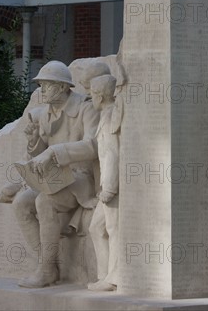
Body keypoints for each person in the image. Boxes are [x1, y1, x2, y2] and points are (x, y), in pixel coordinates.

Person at [12, 61, 100, 288]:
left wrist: (54, 151)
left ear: (62, 87)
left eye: (47, 85)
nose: (42, 91)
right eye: (40, 86)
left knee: (44, 200)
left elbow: (93, 146)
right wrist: (34, 141)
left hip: (81, 179)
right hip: (55, 179)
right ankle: (48, 264)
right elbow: (39, 154)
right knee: (21, 203)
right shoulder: (44, 115)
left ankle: (45, 270)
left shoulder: (85, 108)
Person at [87, 75, 120, 292]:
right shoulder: (106, 115)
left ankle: (114, 278)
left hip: (112, 188)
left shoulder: (110, 118)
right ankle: (104, 276)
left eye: (91, 94)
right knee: (96, 227)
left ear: (99, 96)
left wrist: (108, 188)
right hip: (107, 187)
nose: (90, 98)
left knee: (113, 229)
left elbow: (113, 155)